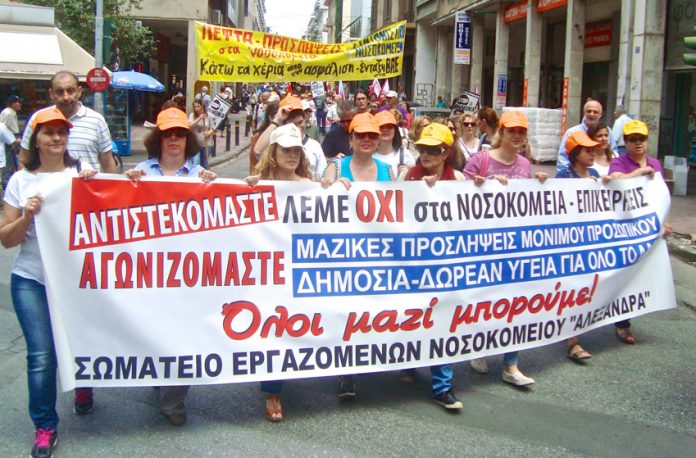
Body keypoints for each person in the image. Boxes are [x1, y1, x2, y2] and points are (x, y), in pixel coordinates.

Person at [0, 107, 97, 458]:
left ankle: (84, 384)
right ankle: (45, 425)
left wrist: (96, 186)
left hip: (75, 280)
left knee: (81, 340)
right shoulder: (20, 182)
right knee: (42, 355)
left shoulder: (84, 176)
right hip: (32, 279)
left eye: (61, 132)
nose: (56, 138)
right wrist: (27, 215)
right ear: (35, 139)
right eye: (48, 132)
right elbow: (7, 240)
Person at [124, 107, 216, 426]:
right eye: (167, 134)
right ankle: (159, 378)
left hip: (186, 275)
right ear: (158, 139)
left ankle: (173, 400)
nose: (173, 139)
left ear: (188, 139)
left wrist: (214, 188)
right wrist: (126, 184)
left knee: (182, 335)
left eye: (179, 134)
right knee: (154, 332)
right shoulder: (141, 173)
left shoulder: (200, 177)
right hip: (148, 272)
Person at [463, 110, 548, 386]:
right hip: (482, 246)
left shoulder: (525, 164)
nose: (516, 136)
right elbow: (453, 196)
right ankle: (478, 348)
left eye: (521, 132)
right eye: (511, 131)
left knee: (515, 303)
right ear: (501, 132)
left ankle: (511, 364)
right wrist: (478, 184)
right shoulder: (481, 159)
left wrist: (542, 184)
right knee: (484, 300)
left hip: (514, 246)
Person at [321, 113, 393, 399]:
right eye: (360, 135)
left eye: (372, 136)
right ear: (350, 139)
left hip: (379, 255)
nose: (366, 140)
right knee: (347, 314)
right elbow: (320, 202)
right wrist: (327, 187)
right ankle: (346, 372)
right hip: (344, 257)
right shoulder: (336, 168)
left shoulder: (389, 171)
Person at [245, 123, 313, 422]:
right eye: (286, 149)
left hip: (300, 268)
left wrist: (339, 190)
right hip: (268, 271)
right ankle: (272, 390)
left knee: (295, 326)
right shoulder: (255, 184)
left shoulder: (310, 185)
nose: (292, 155)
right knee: (273, 327)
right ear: (274, 152)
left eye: (296, 150)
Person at [401, 122, 464, 409]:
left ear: (446, 153)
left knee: (442, 321)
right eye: (422, 149)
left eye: (433, 150)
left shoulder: (461, 181)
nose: (426, 155)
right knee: (411, 316)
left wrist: (492, 186)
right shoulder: (407, 177)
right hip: (412, 265)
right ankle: (409, 362)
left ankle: (442, 385)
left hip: (445, 267)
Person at [608, 119, 672, 344]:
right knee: (624, 273)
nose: (638, 143)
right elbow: (616, 181)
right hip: (624, 229)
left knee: (641, 272)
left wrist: (664, 222)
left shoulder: (655, 162)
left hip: (646, 228)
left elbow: (659, 195)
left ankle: (628, 313)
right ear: (625, 142)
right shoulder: (619, 162)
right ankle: (621, 322)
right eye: (633, 139)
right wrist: (641, 172)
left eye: (641, 139)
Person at [20, 71, 117, 174]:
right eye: (60, 92)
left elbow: (108, 163)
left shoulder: (96, 120)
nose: (66, 97)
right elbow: (24, 158)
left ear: (79, 91)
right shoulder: (38, 118)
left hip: (85, 188)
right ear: (51, 94)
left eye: (70, 91)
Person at [255, 95, 326, 180]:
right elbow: (258, 151)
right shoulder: (276, 142)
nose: (298, 128)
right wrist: (277, 120)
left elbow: (323, 177)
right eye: (293, 125)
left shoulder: (315, 146)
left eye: (300, 122)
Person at [557, 99, 616, 172]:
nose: (592, 114)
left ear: (600, 115)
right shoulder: (572, 132)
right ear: (584, 113)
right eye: (589, 111)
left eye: (595, 112)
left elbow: (613, 152)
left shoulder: (608, 131)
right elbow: (562, 160)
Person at [373, 110, 415, 179]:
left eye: (389, 127)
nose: (385, 130)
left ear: (395, 130)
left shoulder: (404, 154)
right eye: (381, 127)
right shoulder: (368, 155)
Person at [188, 100, 214, 169]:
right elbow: (190, 126)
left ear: (202, 107)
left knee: (204, 163)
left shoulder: (209, 116)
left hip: (206, 143)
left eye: (198, 106)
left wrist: (208, 133)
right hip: (195, 143)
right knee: (196, 162)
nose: (196, 108)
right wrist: (199, 118)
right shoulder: (192, 115)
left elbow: (212, 128)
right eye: (195, 107)